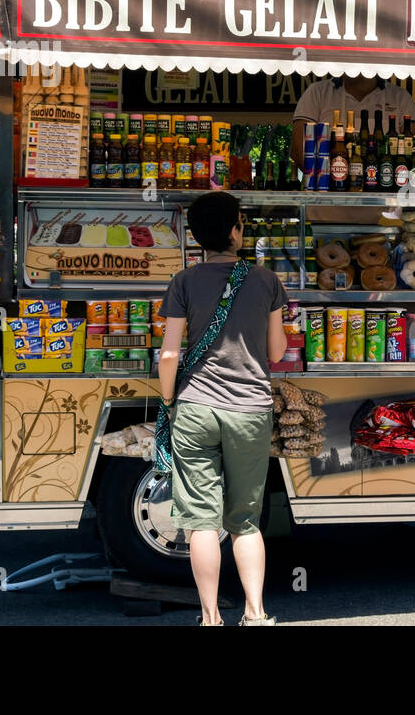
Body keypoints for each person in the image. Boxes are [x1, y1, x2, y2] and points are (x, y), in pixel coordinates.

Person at [158, 192, 288, 627]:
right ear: (236, 230)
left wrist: (169, 399)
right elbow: (275, 350)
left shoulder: (183, 281)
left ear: (197, 237)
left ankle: (210, 618)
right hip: (250, 408)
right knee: (245, 521)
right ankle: (255, 613)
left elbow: (170, 355)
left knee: (200, 521)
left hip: (195, 406)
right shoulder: (266, 280)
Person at [290, 75, 415, 173]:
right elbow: (298, 150)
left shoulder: (400, 97)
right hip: (326, 202)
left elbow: (408, 155)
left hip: (382, 199)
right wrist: (332, 181)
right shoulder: (317, 92)